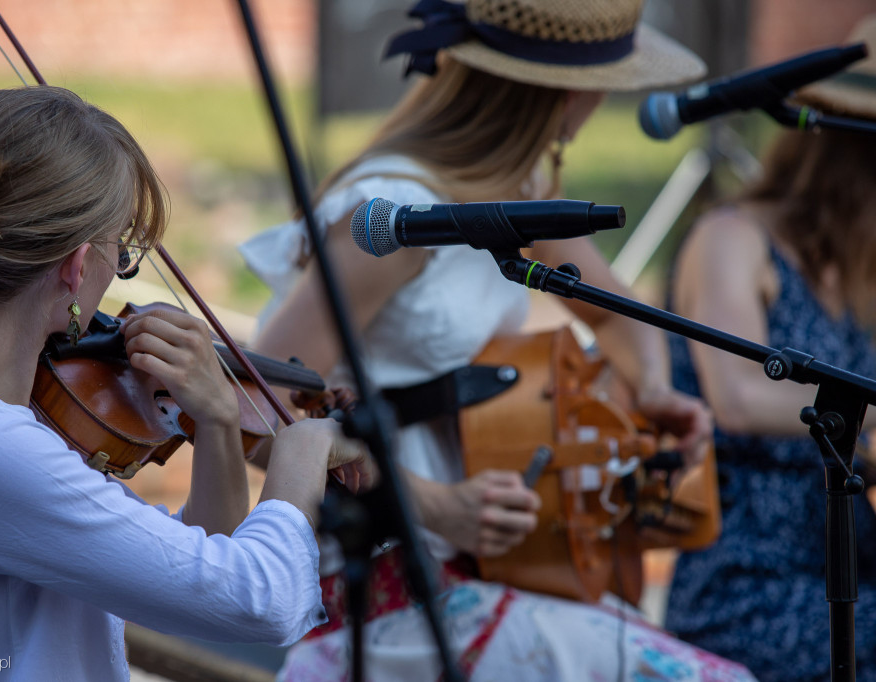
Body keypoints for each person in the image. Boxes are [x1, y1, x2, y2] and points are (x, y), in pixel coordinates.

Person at [239, 0, 755, 679]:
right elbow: (255, 411)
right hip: (392, 591)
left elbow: (616, 313)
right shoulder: (395, 218)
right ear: (568, 93)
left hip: (489, 570)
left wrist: (652, 391)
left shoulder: (511, 188)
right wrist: (433, 504)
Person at [0, 85, 375, 681]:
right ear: (76, 267)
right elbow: (263, 603)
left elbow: (199, 572)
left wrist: (219, 420)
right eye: (121, 253)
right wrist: (303, 450)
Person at [664, 16, 876, 682]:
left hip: (848, 568)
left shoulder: (855, 275)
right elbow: (737, 394)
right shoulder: (734, 238)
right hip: (751, 585)